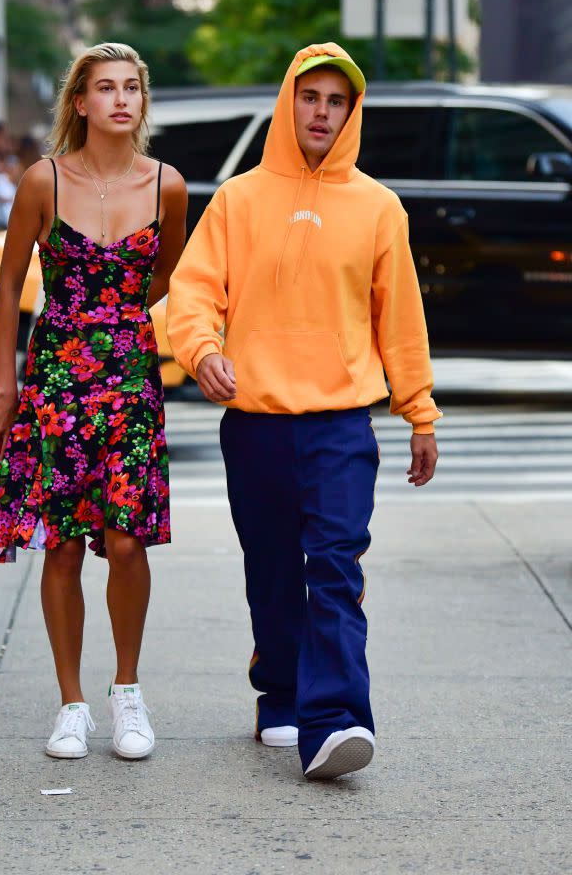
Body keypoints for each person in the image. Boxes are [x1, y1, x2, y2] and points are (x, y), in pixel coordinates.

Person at [167, 42, 441, 780]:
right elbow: (193, 293)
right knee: (274, 571)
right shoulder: (239, 199)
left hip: (340, 423)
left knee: (336, 565)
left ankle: (338, 719)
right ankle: (280, 691)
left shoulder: (379, 208)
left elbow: (400, 321)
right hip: (254, 422)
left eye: (337, 101)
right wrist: (202, 351)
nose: (322, 112)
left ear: (353, 113)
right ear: (289, 103)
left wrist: (420, 412)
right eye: (310, 97)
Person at [0, 43, 187, 764]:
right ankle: (72, 703)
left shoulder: (168, 187)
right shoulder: (42, 182)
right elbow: (6, 289)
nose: (121, 99)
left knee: (125, 539)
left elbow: (163, 277)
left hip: (128, 378)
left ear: (141, 103)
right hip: (57, 379)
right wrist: (8, 384)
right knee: (60, 546)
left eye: (132, 87)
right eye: (106, 88)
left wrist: (114, 318)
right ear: (81, 103)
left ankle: (128, 691)